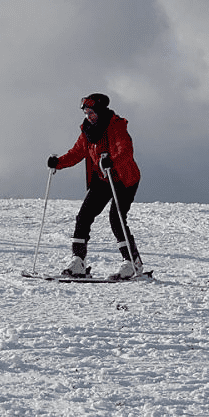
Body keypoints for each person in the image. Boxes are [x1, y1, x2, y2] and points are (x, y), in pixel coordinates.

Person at [47, 93, 143, 279]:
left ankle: (132, 262)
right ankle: (78, 261)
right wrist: (57, 162)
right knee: (84, 216)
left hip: (124, 179)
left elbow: (125, 151)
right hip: (103, 179)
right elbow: (76, 153)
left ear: (100, 111)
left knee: (116, 218)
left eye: (92, 112)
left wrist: (111, 161)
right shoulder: (87, 131)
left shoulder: (116, 126)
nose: (88, 116)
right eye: (86, 113)